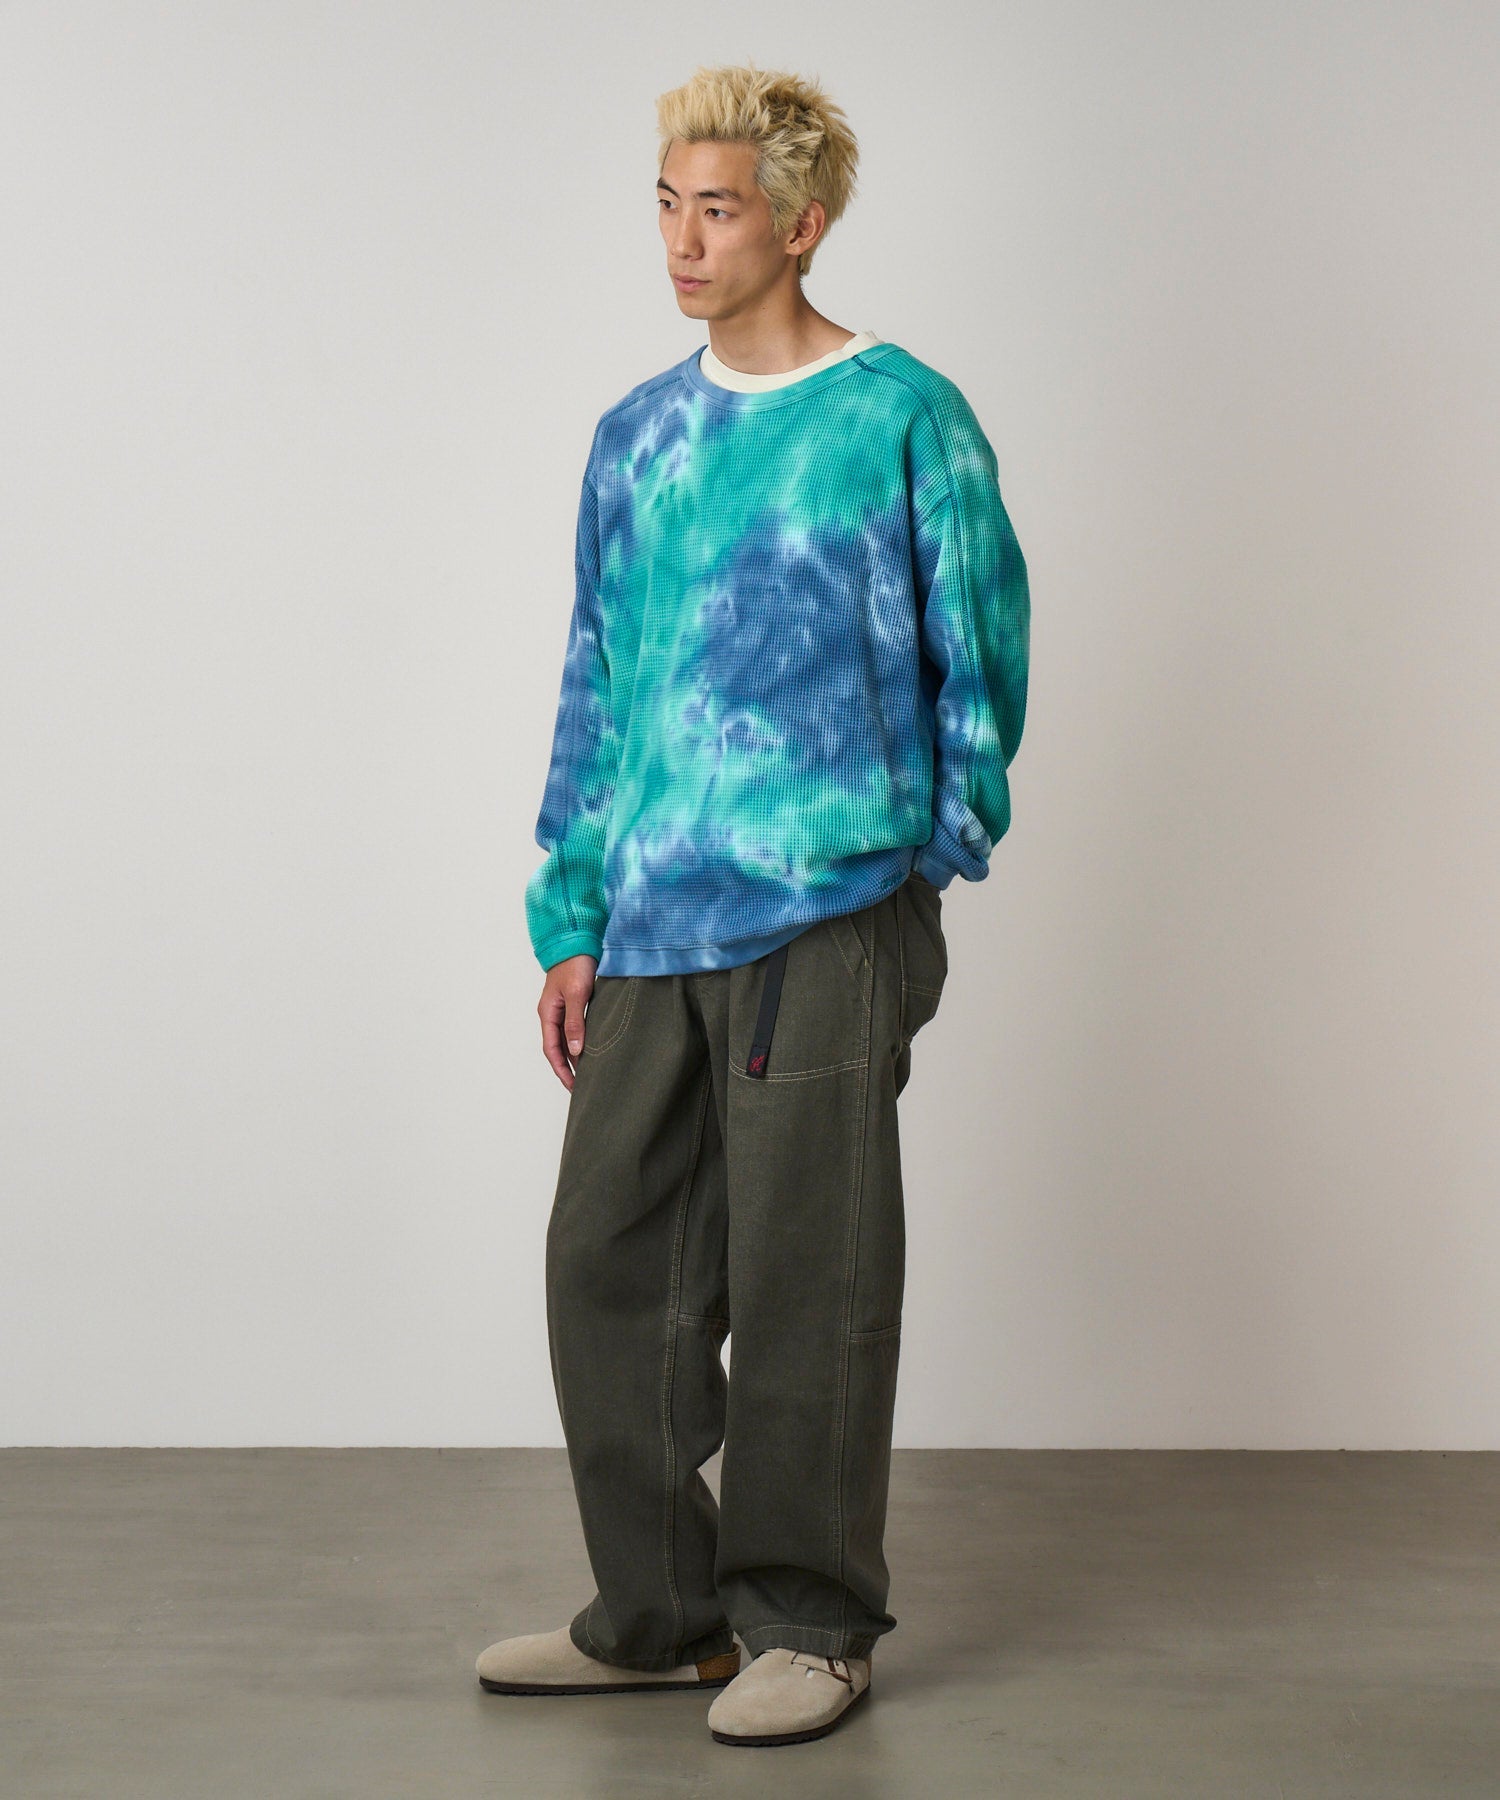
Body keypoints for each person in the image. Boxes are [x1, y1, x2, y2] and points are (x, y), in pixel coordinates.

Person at [476, 60, 1030, 1748]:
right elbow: (598, 679)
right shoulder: (635, 438)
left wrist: (923, 857)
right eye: (667, 204)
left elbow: (982, 648)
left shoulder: (901, 415)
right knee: (606, 1262)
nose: (682, 239)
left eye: (716, 210)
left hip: (824, 913)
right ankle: (660, 1618)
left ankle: (813, 1623)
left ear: (800, 223)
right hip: (652, 916)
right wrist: (571, 913)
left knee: (810, 1275)